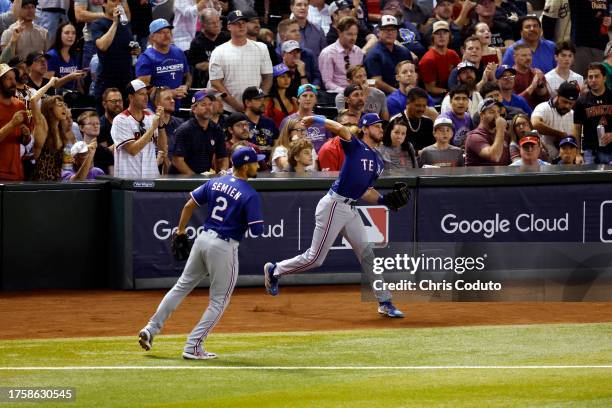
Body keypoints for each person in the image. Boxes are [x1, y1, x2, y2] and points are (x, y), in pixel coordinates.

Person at [263, 112, 406, 318]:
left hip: (350, 209)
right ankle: (275, 270)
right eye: (375, 126)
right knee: (315, 259)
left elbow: (366, 190)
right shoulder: (356, 145)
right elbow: (340, 129)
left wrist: (384, 201)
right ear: (365, 128)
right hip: (334, 205)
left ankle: (385, 302)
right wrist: (317, 119)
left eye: (381, 126)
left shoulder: (378, 161)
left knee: (368, 255)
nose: (380, 129)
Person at [138, 146, 265, 360]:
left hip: (202, 239)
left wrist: (180, 231)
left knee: (181, 286)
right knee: (219, 300)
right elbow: (257, 230)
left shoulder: (215, 181)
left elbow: (188, 206)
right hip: (223, 246)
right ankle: (193, 346)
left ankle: (151, 328)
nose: (258, 165)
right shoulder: (250, 194)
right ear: (245, 166)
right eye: (255, 162)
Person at [208, 10, 273, 113]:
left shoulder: (261, 48)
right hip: (228, 109)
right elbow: (216, 82)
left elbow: (268, 77)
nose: (241, 26)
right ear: (229, 27)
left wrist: (260, 99)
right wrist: (237, 106)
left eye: (243, 23)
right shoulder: (219, 51)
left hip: (254, 109)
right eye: (237, 23)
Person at [111, 79, 167, 178]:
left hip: (151, 178)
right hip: (129, 180)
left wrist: (161, 125)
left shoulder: (151, 117)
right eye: (141, 94)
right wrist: (153, 128)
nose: (146, 97)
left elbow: (162, 148)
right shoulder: (120, 120)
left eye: (146, 94)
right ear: (131, 97)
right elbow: (132, 150)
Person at [136, 18, 191, 109]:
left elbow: (187, 76)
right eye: (161, 32)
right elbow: (144, 87)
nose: (166, 35)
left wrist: (185, 86)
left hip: (177, 106)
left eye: (168, 32)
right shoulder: (146, 58)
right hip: (156, 110)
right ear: (152, 37)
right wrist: (170, 93)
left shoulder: (179, 52)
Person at [171, 89, 227, 175]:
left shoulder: (217, 129)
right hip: (181, 181)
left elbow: (222, 157)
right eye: (203, 104)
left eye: (210, 104)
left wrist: (223, 173)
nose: (208, 108)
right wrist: (195, 179)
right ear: (194, 109)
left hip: (203, 178)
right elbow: (177, 160)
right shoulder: (184, 130)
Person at [91, 0, 134, 102]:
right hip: (106, 81)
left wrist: (136, 50)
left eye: (119, 1)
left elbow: (130, 45)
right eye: (114, 0)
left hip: (125, 80)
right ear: (104, 4)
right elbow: (102, 46)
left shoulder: (125, 24)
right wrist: (115, 22)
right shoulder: (98, 24)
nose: (117, 3)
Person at [363, 15, 413, 94]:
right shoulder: (373, 55)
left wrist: (411, 90)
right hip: (384, 96)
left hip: (406, 92)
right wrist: (398, 92)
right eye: (386, 30)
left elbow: (414, 74)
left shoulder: (404, 52)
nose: (390, 33)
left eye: (393, 30)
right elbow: (376, 81)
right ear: (378, 32)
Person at [573, 62, 612, 164]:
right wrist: (577, 153)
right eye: (590, 77)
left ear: (604, 78)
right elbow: (577, 129)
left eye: (597, 76)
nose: (593, 80)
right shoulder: (581, 101)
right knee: (591, 179)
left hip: (611, 149)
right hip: (590, 151)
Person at [318, 15, 364, 94]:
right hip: (337, 96)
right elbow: (327, 83)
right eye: (349, 34)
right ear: (339, 32)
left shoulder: (358, 52)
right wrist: (346, 92)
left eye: (355, 34)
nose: (353, 38)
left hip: (357, 94)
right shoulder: (328, 53)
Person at [532, 81, 578, 159]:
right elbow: (535, 124)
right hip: (544, 159)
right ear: (557, 96)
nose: (567, 106)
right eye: (564, 102)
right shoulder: (543, 107)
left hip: (564, 160)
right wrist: (559, 134)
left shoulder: (572, 114)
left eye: (570, 104)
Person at [279, 83, 332, 152]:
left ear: (316, 100)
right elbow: (282, 145)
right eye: (304, 95)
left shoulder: (322, 119)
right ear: (298, 99)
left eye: (311, 96)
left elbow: (329, 142)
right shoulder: (288, 120)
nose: (308, 98)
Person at [418, 21, 461, 101]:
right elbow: (430, 88)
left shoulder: (453, 54)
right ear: (433, 37)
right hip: (437, 96)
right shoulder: (428, 59)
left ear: (449, 36)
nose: (441, 36)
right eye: (438, 33)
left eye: (445, 33)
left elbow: (461, 75)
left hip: (453, 91)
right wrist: (450, 92)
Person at [0, 63, 29, 181]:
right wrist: (12, 124)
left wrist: (26, 135)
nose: (13, 83)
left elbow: (25, 141)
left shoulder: (20, 105)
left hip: (17, 172)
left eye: (14, 79)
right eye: (8, 79)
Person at [188, 8, 230, 88]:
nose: (217, 25)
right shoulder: (197, 43)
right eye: (212, 23)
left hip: (227, 79)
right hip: (206, 83)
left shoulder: (227, 38)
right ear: (203, 25)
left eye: (218, 21)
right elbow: (199, 65)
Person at [465, 97, 511, 166]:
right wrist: (501, 129)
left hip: (503, 175)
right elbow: (494, 157)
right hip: (481, 176)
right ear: (482, 115)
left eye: (498, 112)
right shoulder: (474, 137)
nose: (497, 116)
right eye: (491, 112)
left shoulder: (505, 134)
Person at [46, 22, 86, 92]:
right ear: (59, 35)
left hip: (72, 95)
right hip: (55, 96)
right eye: (67, 33)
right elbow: (48, 85)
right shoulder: (51, 55)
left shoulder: (75, 55)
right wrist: (69, 77)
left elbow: (78, 83)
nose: (71, 36)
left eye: (73, 33)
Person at [242, 86, 278, 162]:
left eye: (263, 99)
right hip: (249, 163)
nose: (263, 103)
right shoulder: (240, 122)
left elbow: (277, 145)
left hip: (270, 165)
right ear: (247, 103)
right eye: (258, 100)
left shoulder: (270, 122)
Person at [394, 87, 435, 154]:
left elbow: (433, 146)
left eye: (424, 106)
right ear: (408, 103)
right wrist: (417, 152)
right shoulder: (396, 121)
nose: (421, 109)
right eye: (417, 105)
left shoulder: (428, 122)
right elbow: (394, 149)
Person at [512, 44, 550, 109]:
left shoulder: (536, 73)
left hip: (538, 112)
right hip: (519, 114)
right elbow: (513, 103)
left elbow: (546, 99)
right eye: (524, 55)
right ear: (515, 58)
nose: (528, 58)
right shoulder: (510, 76)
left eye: (530, 55)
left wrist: (540, 84)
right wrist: (532, 86)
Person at [76, 110, 114, 175]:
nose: (96, 126)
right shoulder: (76, 150)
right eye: (90, 124)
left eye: (98, 123)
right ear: (81, 127)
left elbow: (112, 177)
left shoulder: (106, 152)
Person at [265, 63, 298, 128]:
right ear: (274, 80)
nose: (286, 79)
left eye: (288, 76)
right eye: (282, 76)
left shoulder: (293, 100)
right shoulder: (267, 101)